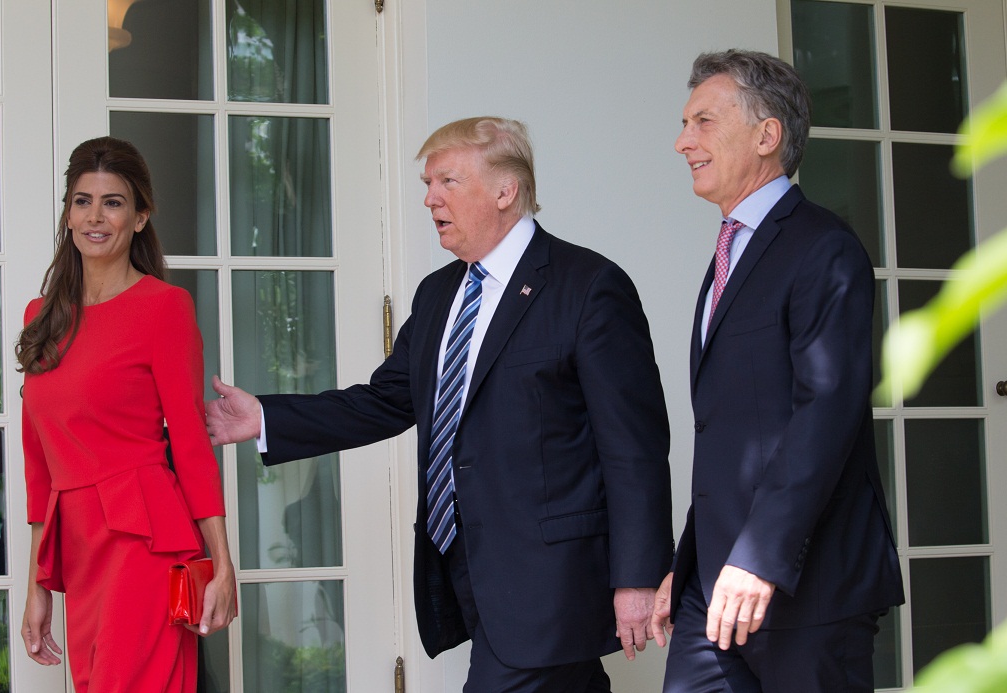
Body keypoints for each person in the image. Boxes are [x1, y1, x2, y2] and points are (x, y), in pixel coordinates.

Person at [207, 116, 673, 692]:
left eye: (447, 182)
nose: (430, 200)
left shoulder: (589, 287)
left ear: (506, 191)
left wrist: (639, 577)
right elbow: (385, 402)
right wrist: (265, 419)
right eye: (428, 184)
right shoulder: (438, 295)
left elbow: (635, 448)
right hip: (467, 572)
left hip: (550, 580)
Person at [650, 50, 904, 692]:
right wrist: (688, 565)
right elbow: (730, 432)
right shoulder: (728, 253)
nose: (683, 142)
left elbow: (826, 412)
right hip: (713, 590)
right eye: (685, 124)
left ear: (768, 136)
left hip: (807, 593)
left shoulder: (824, 249)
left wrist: (759, 560)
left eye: (703, 122)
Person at [17, 136, 237, 692]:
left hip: (142, 544)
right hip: (78, 551)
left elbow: (188, 442)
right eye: (82, 200)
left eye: (113, 202)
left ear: (140, 217)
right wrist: (36, 584)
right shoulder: (41, 316)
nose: (96, 217)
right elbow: (38, 461)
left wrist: (222, 561)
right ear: (67, 213)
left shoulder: (163, 308)